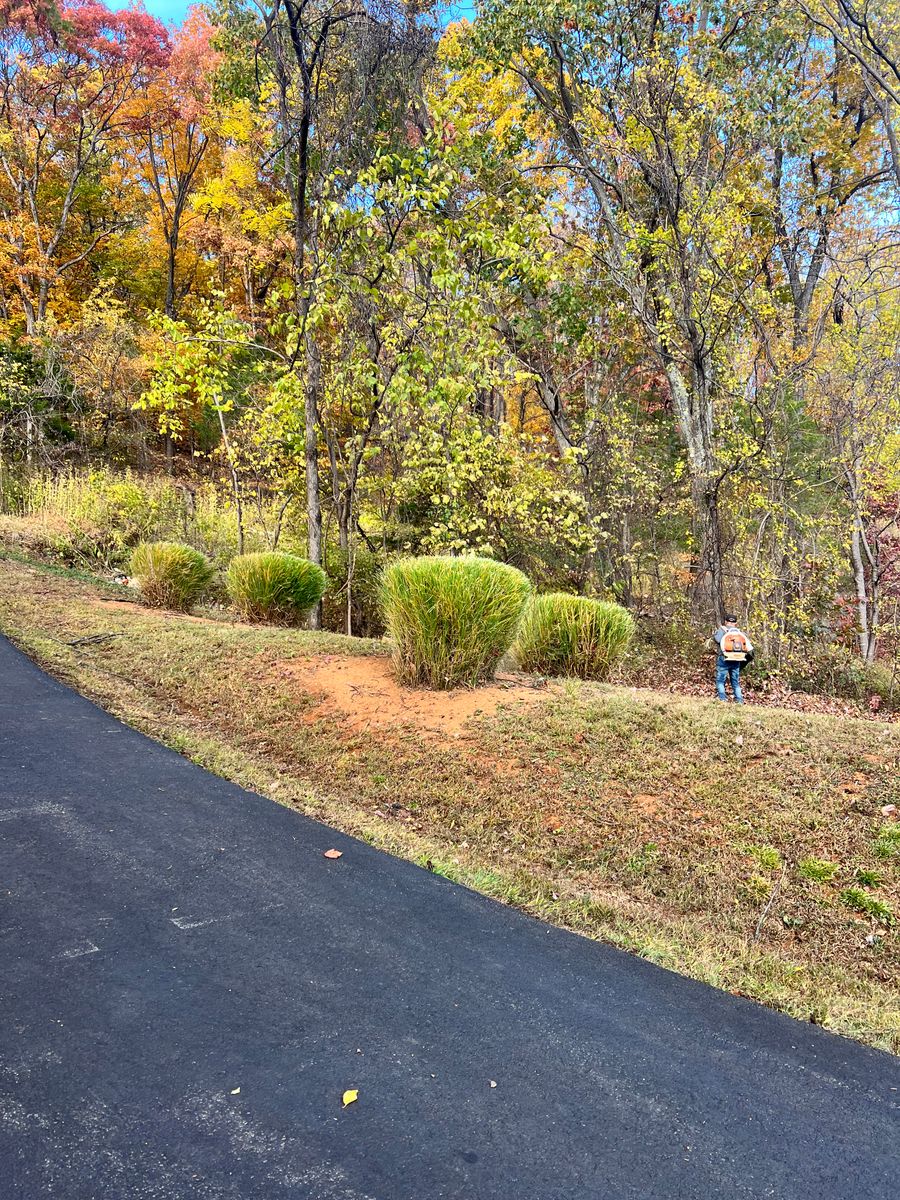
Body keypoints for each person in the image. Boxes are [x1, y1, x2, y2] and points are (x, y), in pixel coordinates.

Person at [713, 614, 753, 704]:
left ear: (726, 621)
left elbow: (717, 640)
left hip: (724, 658)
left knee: (720, 680)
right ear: (736, 623)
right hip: (737, 659)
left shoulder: (722, 630)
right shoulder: (740, 633)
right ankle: (739, 700)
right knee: (735, 681)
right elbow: (748, 647)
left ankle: (722, 698)